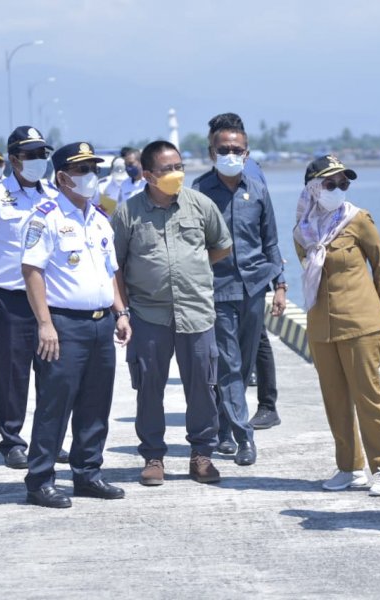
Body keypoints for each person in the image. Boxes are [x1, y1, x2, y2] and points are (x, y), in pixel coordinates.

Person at [113, 140, 232, 486]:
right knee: (149, 386)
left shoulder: (200, 205)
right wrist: (122, 311)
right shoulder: (128, 213)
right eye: (167, 169)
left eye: (179, 166)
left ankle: (202, 455)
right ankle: (153, 456)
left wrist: (190, 269)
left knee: (203, 386)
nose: (176, 174)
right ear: (148, 175)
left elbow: (220, 246)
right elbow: (115, 266)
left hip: (196, 312)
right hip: (149, 315)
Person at [21, 141, 131, 509]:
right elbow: (32, 271)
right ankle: (40, 479)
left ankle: (87, 473)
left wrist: (121, 312)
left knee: (95, 404)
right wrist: (45, 325)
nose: (91, 177)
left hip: (101, 325)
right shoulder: (46, 216)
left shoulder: (99, 218)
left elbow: (110, 271)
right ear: (63, 177)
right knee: (55, 403)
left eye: (93, 169)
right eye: (83, 170)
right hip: (64, 325)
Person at [293, 155, 380, 496]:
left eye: (343, 183)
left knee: (368, 397)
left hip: (360, 323)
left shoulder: (358, 220)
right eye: (330, 183)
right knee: (335, 399)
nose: (338, 189)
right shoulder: (303, 230)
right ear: (312, 187)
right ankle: (349, 467)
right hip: (322, 325)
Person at [0, 126, 70, 469]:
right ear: (14, 159)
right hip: (9, 299)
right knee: (13, 374)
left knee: (53, 374)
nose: (39, 161)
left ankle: (50, 441)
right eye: (32, 155)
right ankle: (12, 441)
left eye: (43, 154)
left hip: (50, 301)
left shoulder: (54, 196)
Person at [192, 119, 286, 465]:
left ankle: (223, 429)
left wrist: (280, 284)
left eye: (237, 150)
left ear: (246, 153)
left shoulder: (257, 190)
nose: (230, 154)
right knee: (230, 364)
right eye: (223, 149)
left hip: (253, 287)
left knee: (243, 365)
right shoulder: (199, 191)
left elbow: (270, 240)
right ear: (211, 152)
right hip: (218, 289)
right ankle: (244, 437)